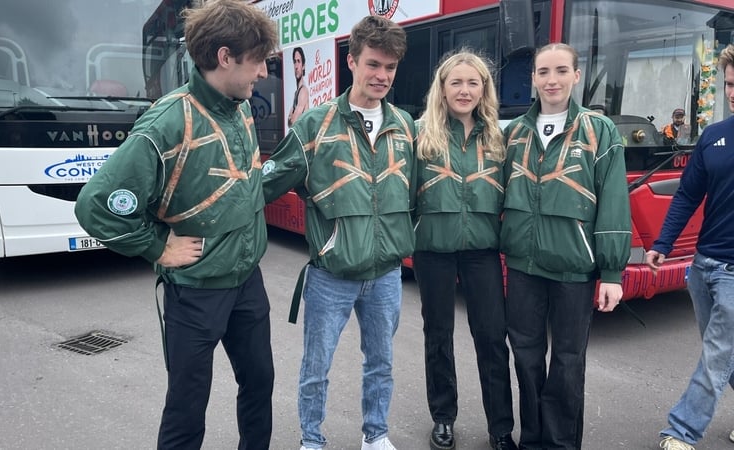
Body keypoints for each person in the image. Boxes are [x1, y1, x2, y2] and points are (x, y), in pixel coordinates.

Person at [73, 1, 278, 448]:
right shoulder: (167, 122)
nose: (264, 72)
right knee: (187, 407)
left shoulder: (240, 107)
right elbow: (95, 205)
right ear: (225, 57)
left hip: (248, 283)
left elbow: (243, 185)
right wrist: (157, 247)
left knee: (260, 385)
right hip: (195, 293)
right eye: (258, 60)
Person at [261, 15, 415, 450]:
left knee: (381, 363)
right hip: (331, 275)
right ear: (351, 62)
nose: (381, 76)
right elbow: (266, 186)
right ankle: (312, 441)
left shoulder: (405, 127)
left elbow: (418, 191)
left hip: (386, 273)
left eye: (390, 67)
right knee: (316, 367)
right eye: (373, 64)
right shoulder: (315, 125)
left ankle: (376, 436)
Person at [500, 42, 631, 450]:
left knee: (568, 362)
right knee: (525, 355)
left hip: (575, 268)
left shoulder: (598, 130)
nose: (551, 80)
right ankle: (532, 439)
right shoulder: (515, 132)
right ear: (533, 79)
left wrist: (611, 273)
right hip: (523, 265)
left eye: (560, 71)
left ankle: (559, 443)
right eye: (543, 72)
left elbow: (613, 200)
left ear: (576, 76)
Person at [413, 50, 516, 450]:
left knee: (491, 336)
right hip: (433, 249)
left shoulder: (498, 137)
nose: (464, 89)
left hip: (482, 251)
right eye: (456, 82)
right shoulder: (420, 133)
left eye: (473, 82)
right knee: (438, 335)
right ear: (442, 88)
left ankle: (501, 427)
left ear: (484, 89)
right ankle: (443, 417)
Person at [648, 43, 734, 450]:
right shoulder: (714, 136)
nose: (733, 92)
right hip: (703, 266)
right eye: (730, 84)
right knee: (722, 350)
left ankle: (681, 431)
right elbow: (687, 195)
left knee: (717, 352)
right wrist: (663, 242)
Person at [287, 47, 310, 127]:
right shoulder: (296, 93)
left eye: (298, 61)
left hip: (302, 138)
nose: (296, 66)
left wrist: (292, 116)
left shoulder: (303, 91)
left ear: (303, 66)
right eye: (294, 62)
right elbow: (288, 122)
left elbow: (292, 121)